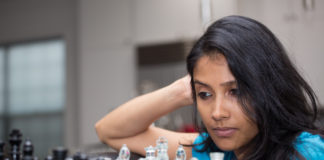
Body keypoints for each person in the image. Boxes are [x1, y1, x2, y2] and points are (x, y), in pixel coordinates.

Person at [95, 15, 324, 160]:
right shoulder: (215, 151)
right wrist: (182, 90)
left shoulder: (307, 152)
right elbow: (110, 131)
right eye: (205, 95)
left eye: (235, 91)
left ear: (268, 89)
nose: (217, 113)